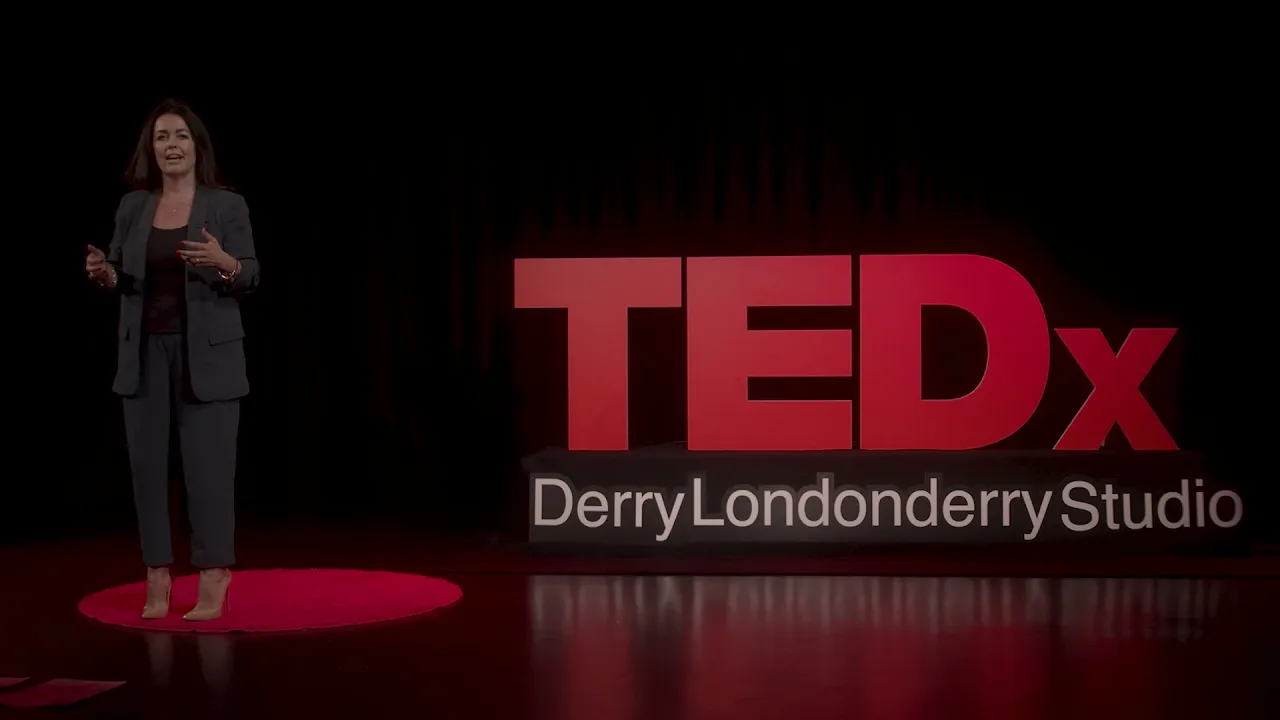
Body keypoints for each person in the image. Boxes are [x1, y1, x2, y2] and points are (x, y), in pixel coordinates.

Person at [85, 99, 260, 621]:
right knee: (148, 472)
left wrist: (226, 264)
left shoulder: (227, 206)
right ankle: (157, 571)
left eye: (180, 135)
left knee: (209, 471)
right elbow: (122, 273)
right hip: (143, 355)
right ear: (151, 149)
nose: (171, 145)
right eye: (161, 137)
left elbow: (250, 274)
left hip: (207, 355)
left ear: (196, 145)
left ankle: (213, 572)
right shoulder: (133, 207)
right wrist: (106, 274)